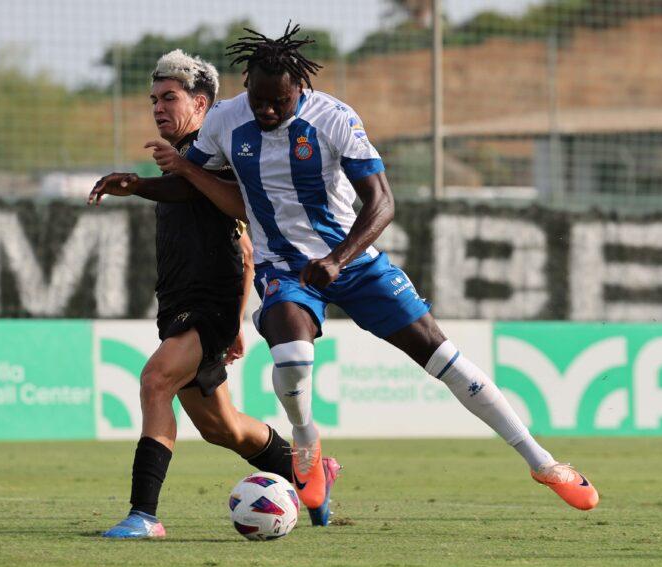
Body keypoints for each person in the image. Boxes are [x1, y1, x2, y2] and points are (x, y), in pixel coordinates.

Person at [116, 25, 599, 514]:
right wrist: (140, 185)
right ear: (247, 87)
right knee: (291, 355)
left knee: (443, 358)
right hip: (286, 268)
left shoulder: (334, 118)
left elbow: (382, 202)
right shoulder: (226, 120)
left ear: (299, 91)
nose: (266, 111)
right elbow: (188, 184)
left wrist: (338, 259)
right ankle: (306, 446)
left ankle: (541, 461)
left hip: (355, 260)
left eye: (277, 103)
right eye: (258, 99)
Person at [87, 49, 341, 539]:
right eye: (153, 100)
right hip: (180, 307)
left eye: (170, 98)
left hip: (208, 305)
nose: (158, 108)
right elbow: (244, 242)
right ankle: (310, 471)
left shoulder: (216, 157)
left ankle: (145, 515)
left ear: (202, 105)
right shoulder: (179, 165)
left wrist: (237, 318)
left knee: (155, 380)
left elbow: (247, 243)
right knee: (223, 428)